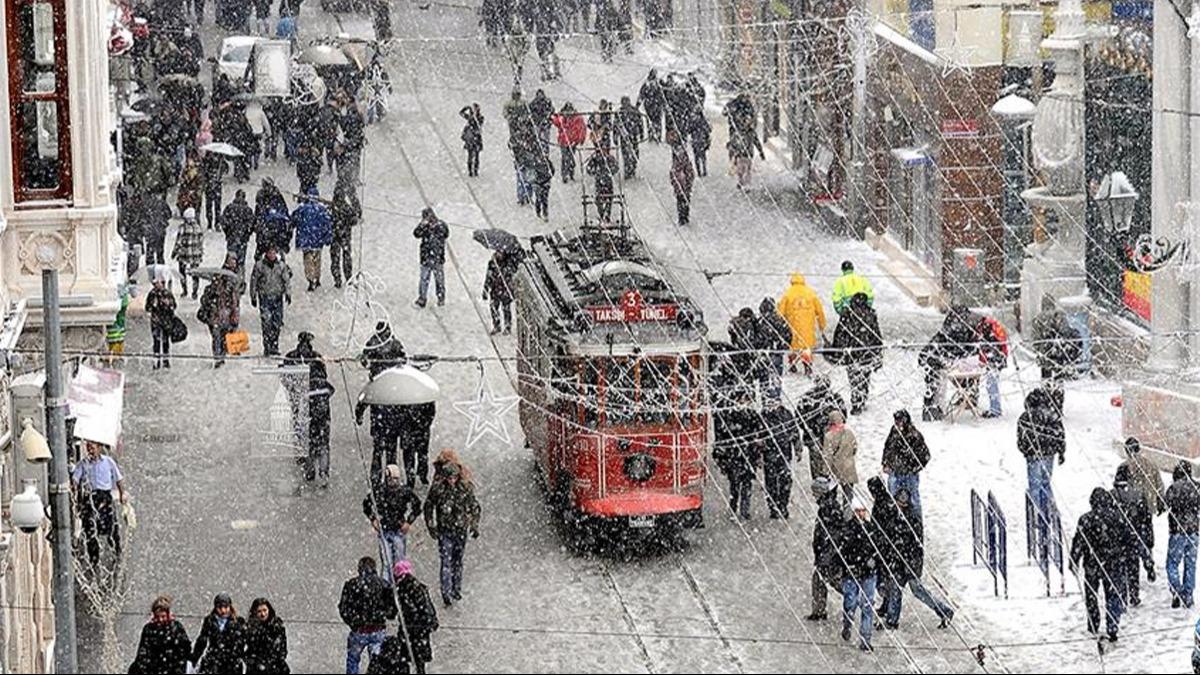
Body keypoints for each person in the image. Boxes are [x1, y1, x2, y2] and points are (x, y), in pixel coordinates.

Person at [870, 478, 953, 631]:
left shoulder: (912, 519)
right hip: (899, 562)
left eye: (902, 504)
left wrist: (911, 562)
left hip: (909, 562)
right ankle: (892, 620)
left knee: (917, 590)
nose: (899, 506)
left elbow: (915, 545)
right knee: (895, 588)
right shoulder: (894, 516)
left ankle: (944, 610)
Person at [424, 459, 481, 607]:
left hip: (460, 530)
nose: (451, 481)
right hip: (445, 531)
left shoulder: (465, 489)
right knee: (446, 562)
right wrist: (431, 526)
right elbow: (428, 506)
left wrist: (474, 526)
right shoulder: (438, 489)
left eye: (454, 478)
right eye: (449, 478)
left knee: (457, 561)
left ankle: (456, 588)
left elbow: (474, 507)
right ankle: (446, 591)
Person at [1070, 488, 1124, 641]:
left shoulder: (1085, 519)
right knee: (1112, 595)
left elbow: (1079, 542)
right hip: (1113, 562)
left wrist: (1074, 560)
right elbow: (1126, 539)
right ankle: (1113, 625)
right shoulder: (1117, 518)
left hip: (1092, 563)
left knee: (1092, 595)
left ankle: (1093, 622)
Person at [1017, 387, 1065, 544]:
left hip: (1033, 456)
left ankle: (1038, 515)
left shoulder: (1025, 417)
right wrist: (1060, 451)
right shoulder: (1052, 416)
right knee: (1045, 483)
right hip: (1049, 455)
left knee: (1035, 486)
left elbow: (1021, 440)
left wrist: (1027, 451)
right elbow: (1060, 434)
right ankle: (1050, 510)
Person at [71, 440, 128, 566]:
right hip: (90, 497)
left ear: (100, 447)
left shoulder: (108, 462)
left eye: (92, 447)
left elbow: (119, 479)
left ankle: (117, 552)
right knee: (90, 527)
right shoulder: (83, 464)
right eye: (88, 448)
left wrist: (123, 493)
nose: (90, 450)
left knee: (111, 525)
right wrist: (74, 491)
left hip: (105, 496)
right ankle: (93, 558)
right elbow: (75, 480)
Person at [339, 556, 398, 674]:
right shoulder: (384, 584)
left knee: (353, 660)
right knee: (377, 662)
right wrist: (386, 616)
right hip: (378, 629)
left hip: (359, 630)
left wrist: (353, 623)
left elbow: (343, 608)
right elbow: (392, 608)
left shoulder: (352, 584)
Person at [364, 464, 423, 583]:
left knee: (399, 562)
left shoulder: (404, 491)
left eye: (396, 479)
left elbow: (417, 506)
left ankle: (400, 586)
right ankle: (386, 588)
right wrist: (373, 519)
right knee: (387, 564)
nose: (394, 483)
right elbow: (366, 505)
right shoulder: (379, 491)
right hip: (384, 530)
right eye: (391, 479)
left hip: (398, 530)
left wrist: (408, 522)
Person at [829, 292, 883, 415]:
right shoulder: (870, 314)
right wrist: (877, 350)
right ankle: (862, 398)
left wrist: (837, 349)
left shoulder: (847, 315)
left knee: (854, 378)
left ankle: (856, 402)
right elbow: (876, 334)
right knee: (865, 377)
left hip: (851, 353)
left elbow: (839, 333)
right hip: (866, 353)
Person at [1112, 463, 1154, 607]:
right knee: (1133, 566)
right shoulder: (1139, 493)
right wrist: (1148, 536)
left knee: (1120, 567)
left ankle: (1123, 595)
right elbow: (1146, 518)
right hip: (1134, 534)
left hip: (1118, 538)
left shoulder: (1112, 494)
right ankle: (1134, 595)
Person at [840, 499, 880, 651]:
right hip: (853, 572)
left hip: (868, 573)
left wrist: (874, 561)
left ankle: (865, 639)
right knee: (850, 602)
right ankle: (847, 624)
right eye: (858, 511)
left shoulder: (871, 529)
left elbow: (878, 549)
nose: (861, 514)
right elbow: (844, 551)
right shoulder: (848, 530)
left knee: (867, 606)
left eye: (862, 510)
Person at [387, 560, 439, 675]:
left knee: (403, 661)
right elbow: (427, 609)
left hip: (409, 630)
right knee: (419, 664)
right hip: (421, 631)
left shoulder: (399, 591)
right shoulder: (420, 587)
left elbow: (391, 613)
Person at [713, 387, 757, 519]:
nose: (745, 403)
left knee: (747, 485)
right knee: (735, 485)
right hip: (734, 456)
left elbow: (757, 434)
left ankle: (744, 510)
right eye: (743, 399)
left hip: (748, 456)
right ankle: (733, 508)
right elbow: (722, 437)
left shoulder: (752, 416)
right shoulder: (728, 416)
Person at [880, 410, 930, 522]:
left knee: (913, 500)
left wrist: (914, 468)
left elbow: (925, 455)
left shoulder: (914, 435)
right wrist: (885, 462)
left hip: (909, 474)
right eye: (896, 422)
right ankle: (893, 523)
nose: (897, 424)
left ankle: (917, 523)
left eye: (899, 422)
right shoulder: (894, 432)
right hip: (895, 472)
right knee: (892, 499)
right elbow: (887, 447)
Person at [807, 476, 845, 622]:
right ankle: (819, 611)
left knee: (835, 582)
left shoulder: (829, 509)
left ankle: (861, 601)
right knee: (820, 580)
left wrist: (825, 556)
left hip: (828, 556)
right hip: (826, 555)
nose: (813, 495)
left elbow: (833, 535)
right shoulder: (827, 506)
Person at [1166, 460, 1200, 608]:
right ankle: (1188, 594)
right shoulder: (1197, 487)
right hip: (1194, 531)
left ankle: (1176, 590)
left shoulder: (1173, 488)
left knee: (1172, 563)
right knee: (1190, 564)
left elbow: (1164, 504)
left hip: (1177, 531)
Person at [777, 273, 826, 374]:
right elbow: (820, 311)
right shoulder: (811, 293)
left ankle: (792, 363)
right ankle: (807, 364)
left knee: (793, 346)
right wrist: (822, 325)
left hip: (792, 325)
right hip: (807, 327)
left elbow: (780, 313)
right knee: (806, 346)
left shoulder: (788, 293)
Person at [128, 595, 191, 674]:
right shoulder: (149, 629)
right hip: (154, 669)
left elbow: (185, 650)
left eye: (163, 616)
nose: (160, 620)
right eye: (157, 617)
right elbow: (142, 653)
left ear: (168, 614)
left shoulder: (176, 627)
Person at [197, 258, 241, 367]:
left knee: (224, 337)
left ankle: (222, 355)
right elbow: (203, 301)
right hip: (214, 318)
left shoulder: (229, 290)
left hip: (226, 317)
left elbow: (234, 303)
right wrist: (212, 296)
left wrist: (234, 314)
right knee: (216, 337)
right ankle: (218, 357)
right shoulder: (210, 290)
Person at [250, 244, 292, 357]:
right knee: (266, 322)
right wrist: (253, 295)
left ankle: (274, 345)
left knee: (277, 322)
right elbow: (253, 281)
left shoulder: (281, 266)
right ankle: (267, 346)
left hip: (277, 297)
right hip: (265, 297)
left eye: (273, 252)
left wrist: (288, 293)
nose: (272, 255)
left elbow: (286, 280)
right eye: (270, 252)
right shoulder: (259, 266)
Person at [797, 374, 846, 468]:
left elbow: (842, 418)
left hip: (828, 437)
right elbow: (800, 418)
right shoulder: (808, 398)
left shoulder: (835, 398)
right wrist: (812, 427)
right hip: (815, 436)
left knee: (825, 462)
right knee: (818, 461)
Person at [191, 594, 247, 673]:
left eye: (225, 607)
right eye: (220, 607)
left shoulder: (238, 621)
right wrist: (194, 658)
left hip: (232, 662)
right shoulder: (210, 620)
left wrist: (241, 656)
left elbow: (243, 642)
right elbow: (202, 640)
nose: (223, 610)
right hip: (213, 660)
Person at [291, 187, 333, 292]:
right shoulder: (322, 210)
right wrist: (327, 238)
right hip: (317, 241)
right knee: (317, 260)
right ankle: (317, 278)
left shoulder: (302, 209)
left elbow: (293, 220)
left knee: (308, 260)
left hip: (305, 240)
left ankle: (311, 280)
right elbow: (327, 225)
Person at [761, 400, 797, 519]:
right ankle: (773, 507)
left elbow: (794, 430)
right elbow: (758, 435)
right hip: (769, 454)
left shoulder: (787, 414)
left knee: (785, 481)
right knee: (771, 482)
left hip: (785, 453)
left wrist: (798, 448)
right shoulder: (763, 416)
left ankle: (783, 505)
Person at [1032, 303, 1083, 383]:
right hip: (1055, 355)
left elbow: (1036, 338)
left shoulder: (1039, 319)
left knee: (1048, 376)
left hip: (1049, 354)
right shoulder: (1058, 320)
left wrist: (1038, 350)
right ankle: (1054, 389)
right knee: (1055, 377)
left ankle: (1049, 388)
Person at [413, 207, 449, 308]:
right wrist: (422, 226)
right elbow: (416, 234)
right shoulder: (424, 227)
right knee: (424, 279)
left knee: (439, 280)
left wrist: (435, 229)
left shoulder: (441, 225)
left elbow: (446, 234)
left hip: (437, 258)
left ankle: (441, 298)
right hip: (426, 257)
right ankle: (422, 298)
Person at [244, 597, 289, 674]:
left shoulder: (277, 627)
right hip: (256, 669)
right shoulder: (251, 629)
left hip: (275, 669)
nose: (263, 614)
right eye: (259, 611)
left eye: (265, 610)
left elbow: (282, 650)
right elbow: (249, 649)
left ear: (269, 610)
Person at [1123, 437, 1166, 515]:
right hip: (1149, 506)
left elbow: (1120, 489)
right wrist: (1160, 501)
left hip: (1132, 508)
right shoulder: (1151, 464)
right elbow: (1160, 486)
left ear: (1126, 451)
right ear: (1139, 449)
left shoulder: (1123, 467)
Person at [757, 297, 791, 394]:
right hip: (777, 354)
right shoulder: (780, 320)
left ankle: (766, 400)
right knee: (776, 379)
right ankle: (776, 398)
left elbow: (755, 339)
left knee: (764, 381)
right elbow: (788, 334)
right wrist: (783, 347)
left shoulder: (760, 322)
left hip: (764, 354)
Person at [820, 410, 858, 497]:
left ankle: (834, 509)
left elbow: (827, 456)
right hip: (849, 468)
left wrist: (825, 471)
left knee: (831, 495)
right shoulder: (849, 433)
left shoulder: (829, 436)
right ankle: (847, 509)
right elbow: (855, 448)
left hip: (835, 470)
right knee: (848, 496)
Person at [978, 314, 1009, 418]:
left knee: (991, 384)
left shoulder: (987, 327)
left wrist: (984, 361)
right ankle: (995, 408)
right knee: (991, 384)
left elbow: (986, 347)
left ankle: (995, 410)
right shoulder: (992, 325)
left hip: (995, 360)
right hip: (998, 359)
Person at [146, 268, 178, 370]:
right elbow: (147, 308)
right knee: (156, 342)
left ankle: (165, 360)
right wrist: (153, 305)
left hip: (165, 321)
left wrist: (168, 305)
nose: (157, 285)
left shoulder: (167, 293)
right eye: (156, 283)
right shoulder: (152, 294)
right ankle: (156, 361)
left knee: (165, 342)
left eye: (159, 282)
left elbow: (174, 306)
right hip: (156, 321)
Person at [331, 183, 361, 288]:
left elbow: (327, 220)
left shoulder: (331, 207)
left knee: (335, 258)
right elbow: (354, 220)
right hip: (345, 236)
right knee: (346, 257)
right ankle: (348, 277)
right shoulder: (347, 208)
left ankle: (337, 279)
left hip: (335, 236)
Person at [172, 207, 205, 299]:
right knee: (195, 273)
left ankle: (184, 290)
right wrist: (200, 251)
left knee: (182, 273)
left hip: (184, 254)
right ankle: (195, 292)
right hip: (195, 255)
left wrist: (174, 252)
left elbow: (178, 241)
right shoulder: (198, 227)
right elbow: (201, 241)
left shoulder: (182, 228)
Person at [222, 188, 256, 276]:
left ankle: (229, 278)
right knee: (241, 262)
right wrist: (246, 233)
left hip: (232, 238)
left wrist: (228, 232)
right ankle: (240, 279)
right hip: (242, 239)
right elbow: (252, 224)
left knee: (231, 260)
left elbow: (224, 222)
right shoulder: (248, 210)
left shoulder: (229, 208)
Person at [551, 102, 586, 182]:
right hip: (565, 141)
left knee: (568, 157)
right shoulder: (564, 117)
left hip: (571, 141)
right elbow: (556, 122)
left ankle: (569, 173)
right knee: (566, 158)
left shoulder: (576, 118)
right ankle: (567, 174)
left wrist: (580, 139)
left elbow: (582, 128)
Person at [667, 129, 694, 227]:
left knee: (682, 201)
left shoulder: (680, 164)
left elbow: (689, 172)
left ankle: (683, 217)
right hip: (682, 185)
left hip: (683, 185)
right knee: (682, 201)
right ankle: (683, 218)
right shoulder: (680, 164)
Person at [586, 147, 619, 223]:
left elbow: (616, 168)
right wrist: (595, 172)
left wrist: (609, 172)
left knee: (609, 198)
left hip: (608, 182)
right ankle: (602, 214)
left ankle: (607, 215)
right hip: (599, 182)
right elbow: (589, 169)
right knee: (599, 199)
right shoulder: (595, 159)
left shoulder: (609, 158)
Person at [483, 252, 514, 335]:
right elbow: (488, 276)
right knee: (493, 307)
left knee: (506, 309)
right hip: (495, 289)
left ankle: (508, 326)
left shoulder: (508, 263)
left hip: (505, 289)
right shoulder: (492, 263)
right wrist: (485, 289)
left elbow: (511, 276)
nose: (499, 254)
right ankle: (496, 325)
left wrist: (505, 273)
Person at [617, 95, 643, 179]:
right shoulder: (620, 112)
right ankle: (628, 170)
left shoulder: (634, 111)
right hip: (626, 136)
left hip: (633, 135)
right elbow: (616, 125)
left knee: (634, 154)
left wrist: (641, 133)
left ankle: (631, 168)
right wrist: (615, 136)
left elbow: (640, 122)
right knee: (626, 155)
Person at [201, 150, 227, 231]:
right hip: (213, 187)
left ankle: (213, 223)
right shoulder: (210, 161)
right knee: (214, 206)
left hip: (213, 187)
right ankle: (213, 223)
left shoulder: (219, 161)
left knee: (213, 206)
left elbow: (225, 170)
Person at [638, 69, 665, 143]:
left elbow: (662, 96)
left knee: (655, 121)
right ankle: (653, 135)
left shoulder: (657, 83)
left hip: (655, 106)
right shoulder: (649, 84)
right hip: (651, 106)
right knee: (652, 121)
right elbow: (641, 95)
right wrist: (638, 104)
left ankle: (656, 136)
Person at [459, 104, 484, 177]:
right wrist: (466, 108)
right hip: (471, 138)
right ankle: (470, 171)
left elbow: (479, 123)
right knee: (470, 155)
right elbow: (461, 113)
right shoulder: (470, 117)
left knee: (476, 155)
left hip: (475, 138)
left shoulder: (480, 118)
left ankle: (475, 171)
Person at [690, 113, 711, 178]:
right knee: (703, 156)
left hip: (695, 140)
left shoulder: (693, 120)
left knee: (696, 157)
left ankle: (699, 171)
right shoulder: (704, 120)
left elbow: (689, 130)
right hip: (702, 140)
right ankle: (704, 170)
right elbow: (709, 130)